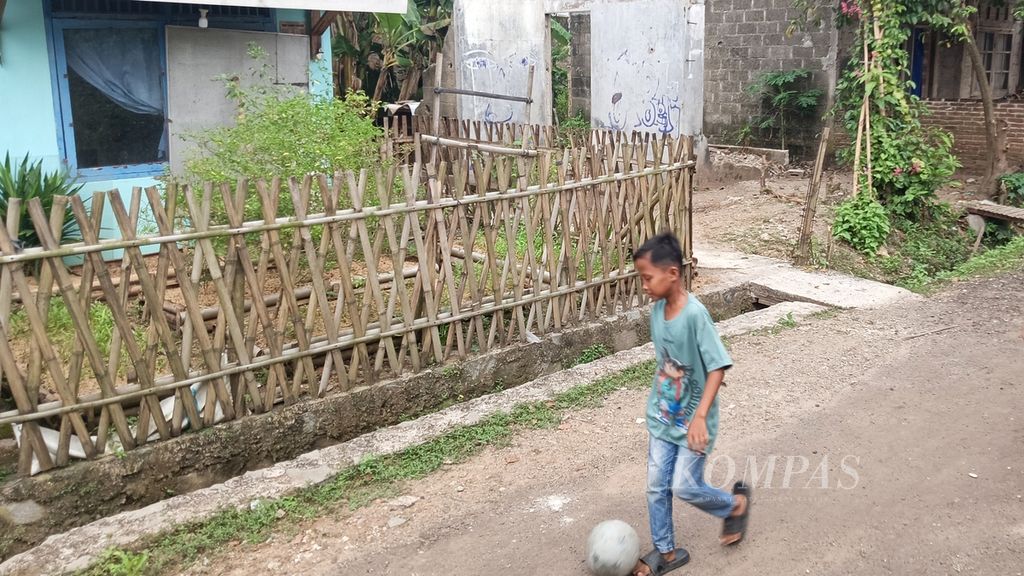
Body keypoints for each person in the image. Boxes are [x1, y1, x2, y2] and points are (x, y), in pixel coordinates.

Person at [630, 232, 751, 576]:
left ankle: (735, 505)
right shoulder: (656, 311)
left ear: (672, 274)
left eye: (648, 277)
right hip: (663, 416)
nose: (644, 285)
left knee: (684, 486)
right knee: (656, 485)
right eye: (641, 278)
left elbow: (718, 365)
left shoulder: (696, 314)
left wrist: (700, 416)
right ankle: (666, 552)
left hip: (694, 421)